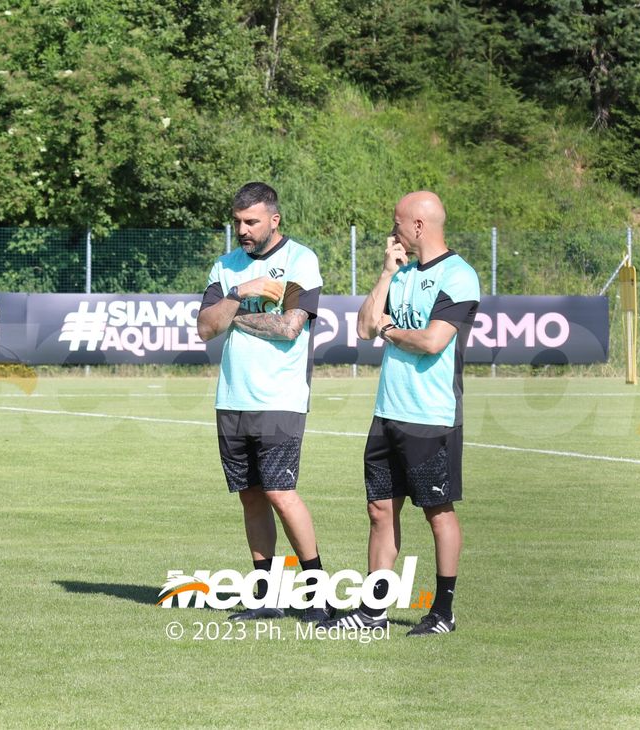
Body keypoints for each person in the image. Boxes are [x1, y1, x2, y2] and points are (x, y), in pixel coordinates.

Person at [321, 191, 480, 636]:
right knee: (379, 510)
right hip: (387, 410)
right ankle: (373, 613)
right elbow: (363, 327)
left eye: (396, 222)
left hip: (431, 414)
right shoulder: (402, 272)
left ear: (417, 226)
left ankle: (443, 612)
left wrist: (389, 328)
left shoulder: (459, 276)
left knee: (437, 511)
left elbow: (432, 341)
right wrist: (387, 272)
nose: (391, 229)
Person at [196, 182, 332, 623]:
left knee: (280, 492)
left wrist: (233, 317)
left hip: (280, 397)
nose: (243, 229)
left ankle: (316, 592)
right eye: (237, 221)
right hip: (232, 398)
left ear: (274, 219)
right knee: (251, 498)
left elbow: (290, 327)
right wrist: (239, 294)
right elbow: (204, 328)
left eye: (251, 221)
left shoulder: (300, 260)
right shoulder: (226, 266)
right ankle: (266, 596)